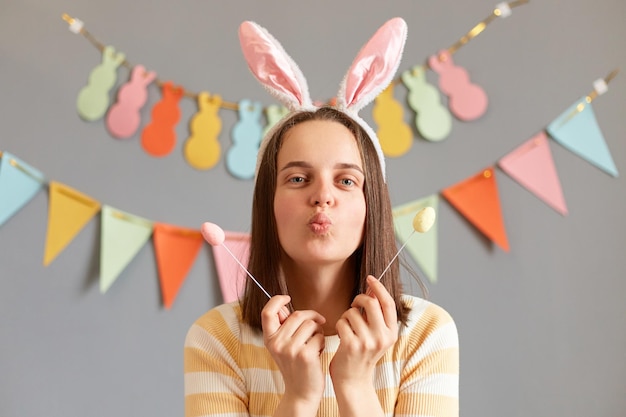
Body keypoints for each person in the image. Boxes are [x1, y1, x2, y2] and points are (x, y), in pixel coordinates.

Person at [184, 18, 459, 417]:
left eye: (346, 180)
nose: (322, 196)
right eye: (298, 178)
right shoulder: (216, 340)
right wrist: (297, 398)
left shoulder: (426, 334)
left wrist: (354, 386)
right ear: (268, 203)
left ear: (372, 205)